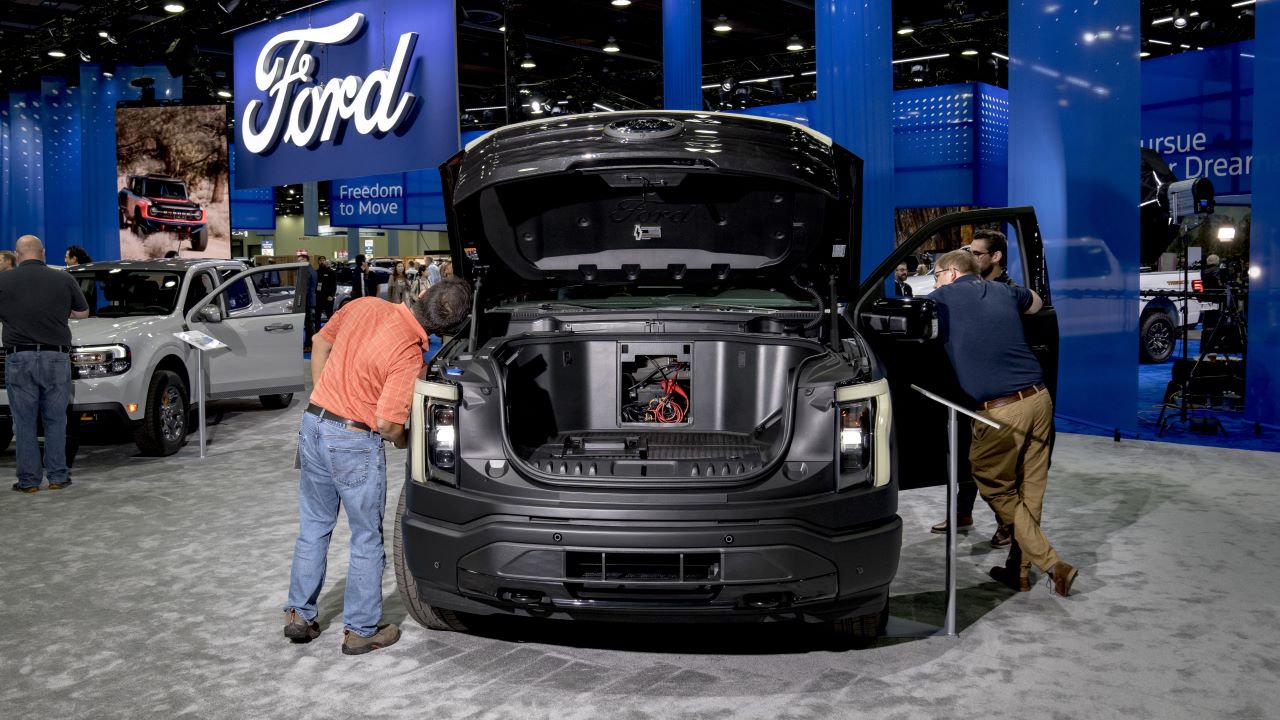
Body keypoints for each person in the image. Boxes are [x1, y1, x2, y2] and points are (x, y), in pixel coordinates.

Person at [282, 277, 472, 654]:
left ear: (422, 294)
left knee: (314, 526)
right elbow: (387, 424)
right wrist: (407, 441)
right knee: (366, 537)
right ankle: (361, 630)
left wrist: (325, 400)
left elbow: (319, 342)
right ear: (446, 330)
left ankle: (298, 616)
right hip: (353, 440)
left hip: (313, 424)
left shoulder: (365, 305)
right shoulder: (409, 354)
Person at [929, 250, 1076, 596]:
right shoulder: (1004, 290)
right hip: (1039, 399)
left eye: (937, 275)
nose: (935, 282)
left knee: (994, 485)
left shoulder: (941, 299)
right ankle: (1018, 572)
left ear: (952, 273)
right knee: (1030, 491)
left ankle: (1053, 564)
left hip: (1001, 411)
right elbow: (1037, 303)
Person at [929, 228, 1015, 548]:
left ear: (996, 256)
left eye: (977, 253)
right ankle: (962, 513)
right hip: (966, 387)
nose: (972, 257)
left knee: (996, 464)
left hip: (999, 391)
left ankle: (1007, 524)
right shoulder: (965, 290)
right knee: (966, 453)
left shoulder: (1007, 292)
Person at [0, 236, 90, 493]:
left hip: (19, 358)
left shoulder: (3, 280)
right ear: (43, 253)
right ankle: (58, 477)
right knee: (55, 420)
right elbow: (82, 312)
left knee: (24, 422)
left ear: (17, 254)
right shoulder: (63, 278)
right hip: (56, 357)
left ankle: (29, 482)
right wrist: (59, 313)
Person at [298, 251, 317, 351]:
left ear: (306, 260)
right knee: (309, 322)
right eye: (298, 260)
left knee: (308, 323)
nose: (299, 262)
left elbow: (305, 288)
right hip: (310, 299)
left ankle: (309, 344)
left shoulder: (306, 271)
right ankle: (310, 343)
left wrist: (299, 301)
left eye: (301, 260)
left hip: (306, 299)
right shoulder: (312, 270)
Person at [316, 255, 337, 324]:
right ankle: (317, 329)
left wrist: (332, 295)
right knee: (317, 315)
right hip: (319, 297)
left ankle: (331, 329)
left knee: (329, 315)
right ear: (318, 262)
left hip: (328, 297)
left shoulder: (331, 272)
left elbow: (334, 285)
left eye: (323, 260)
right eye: (320, 260)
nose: (322, 262)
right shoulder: (316, 272)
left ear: (325, 261)